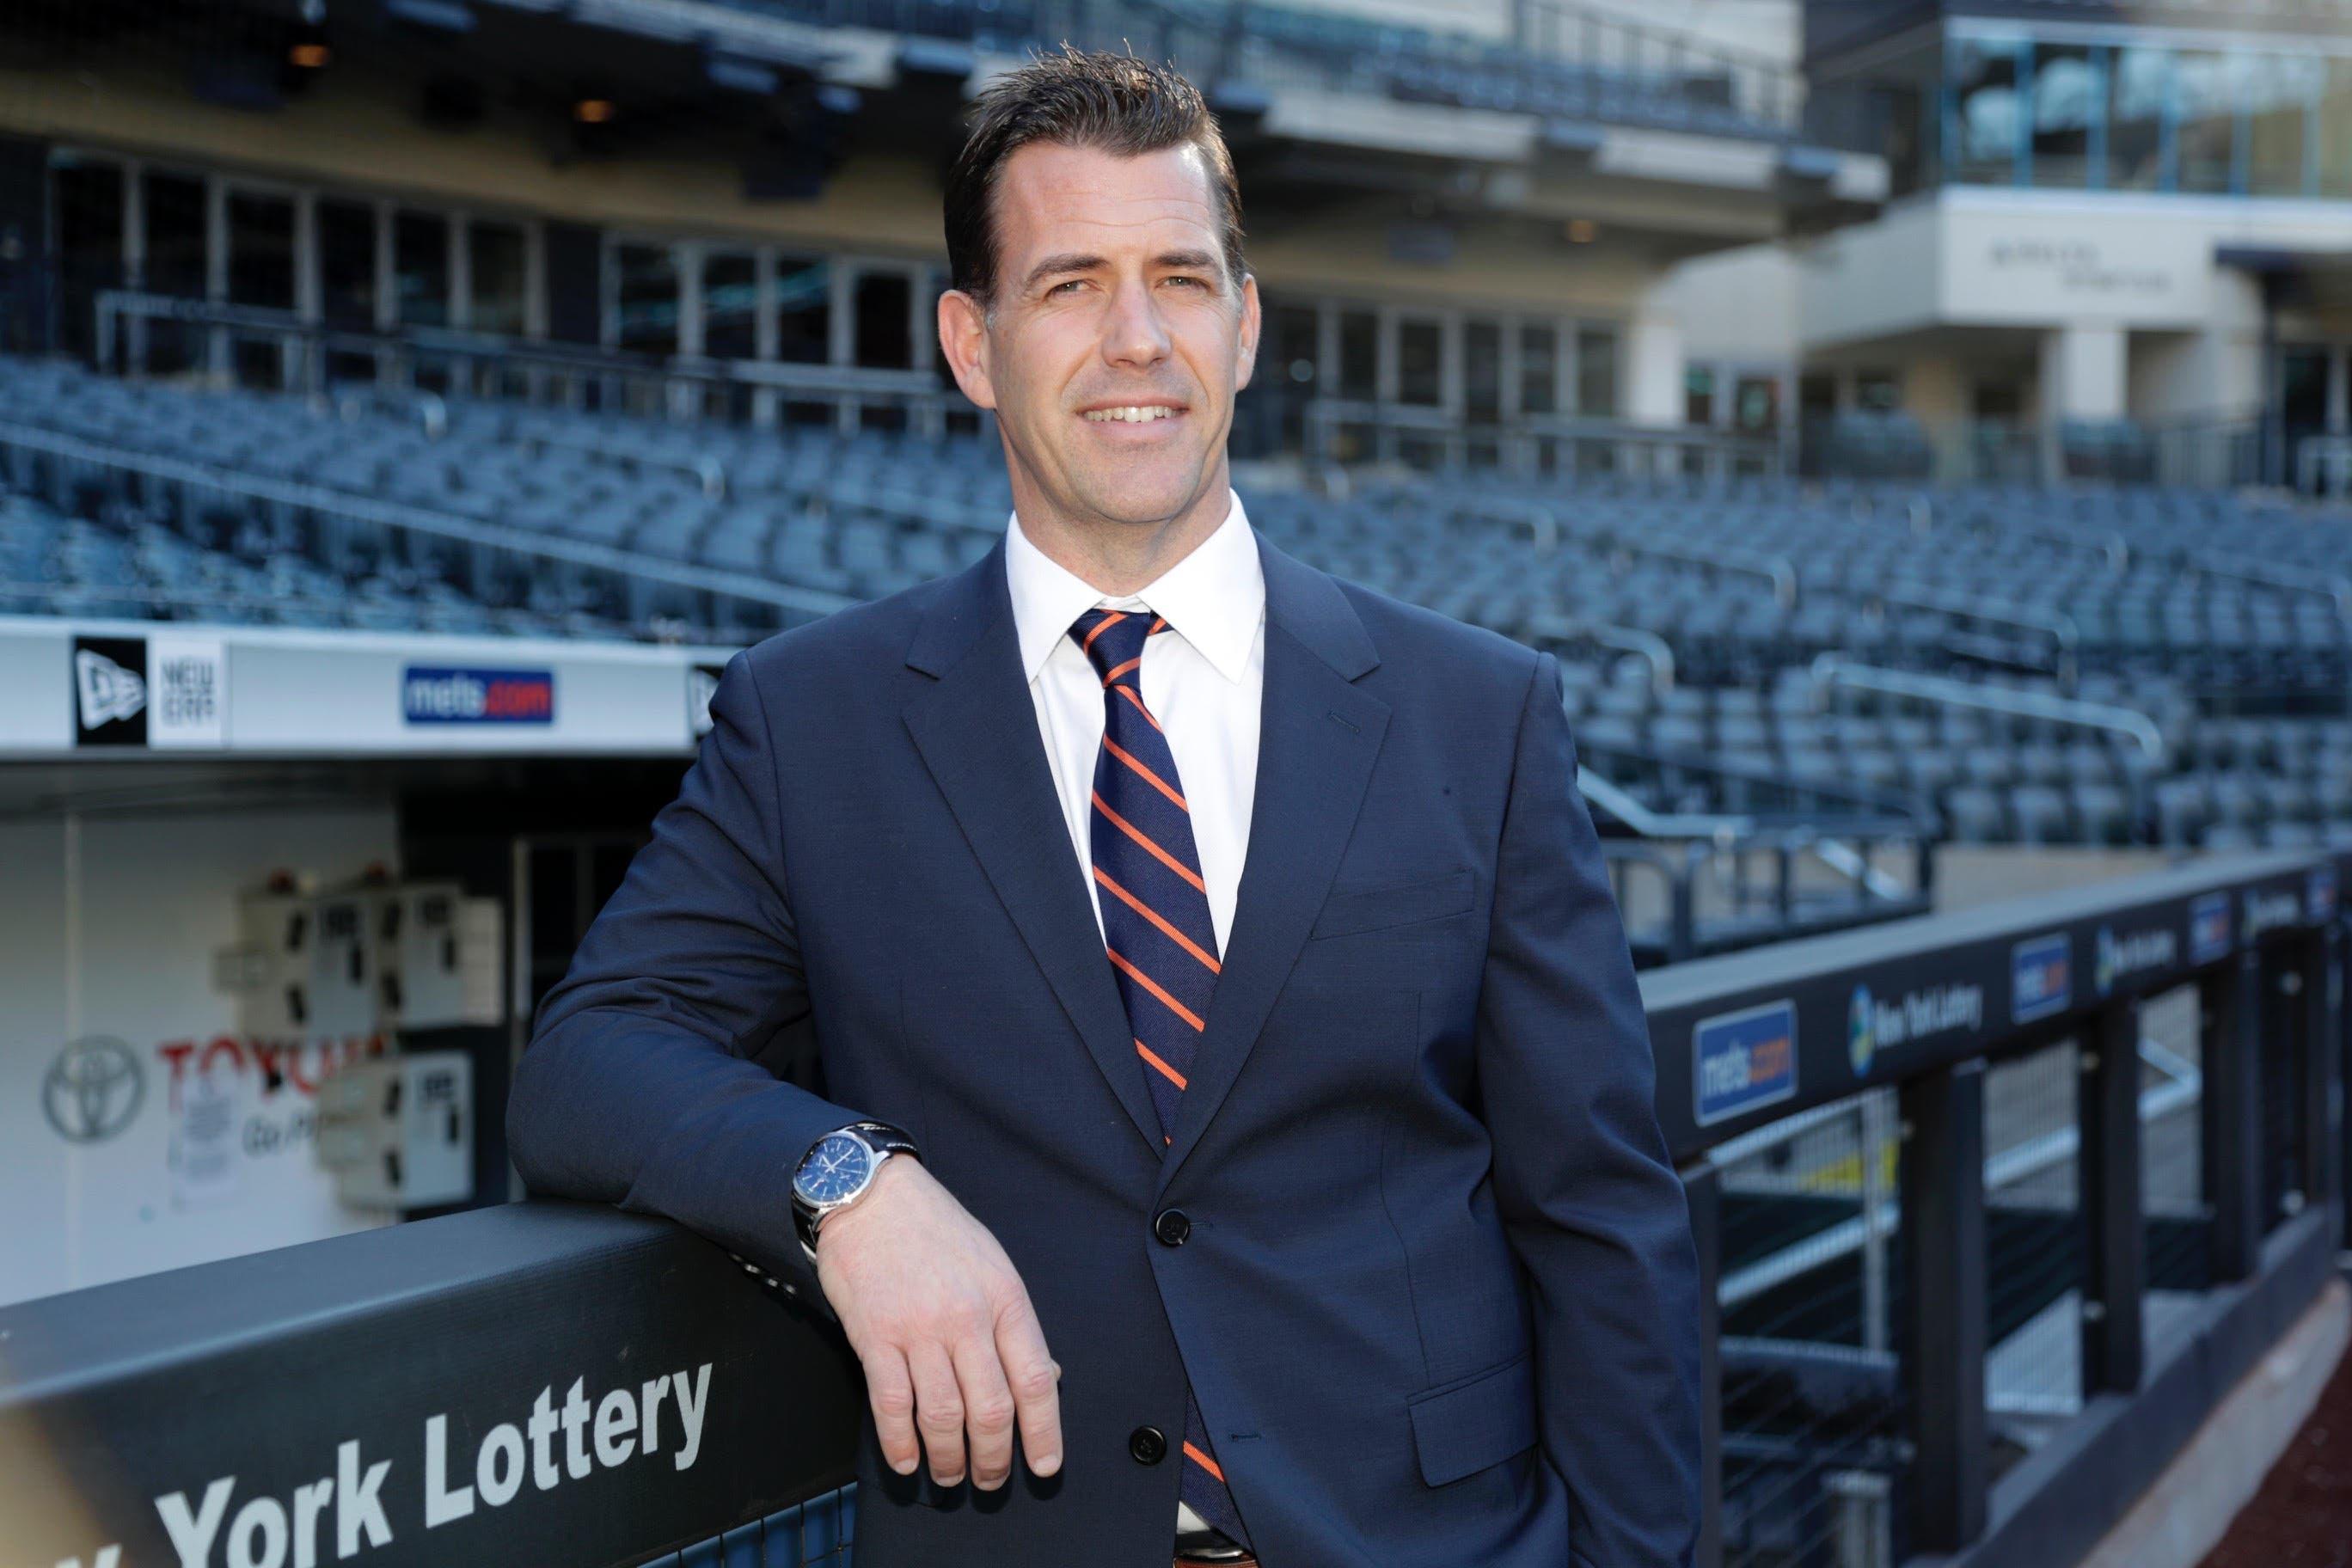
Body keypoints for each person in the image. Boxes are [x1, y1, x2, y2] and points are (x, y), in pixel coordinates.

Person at [507, 46, 1701, 1568]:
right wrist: (851, 1188)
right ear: (971, 342)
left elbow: (1604, 1216)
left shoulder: (1480, 710)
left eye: (1181, 280)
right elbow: (590, 1057)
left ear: (1246, 323)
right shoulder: (817, 719)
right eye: (1070, 284)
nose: (1138, 341)